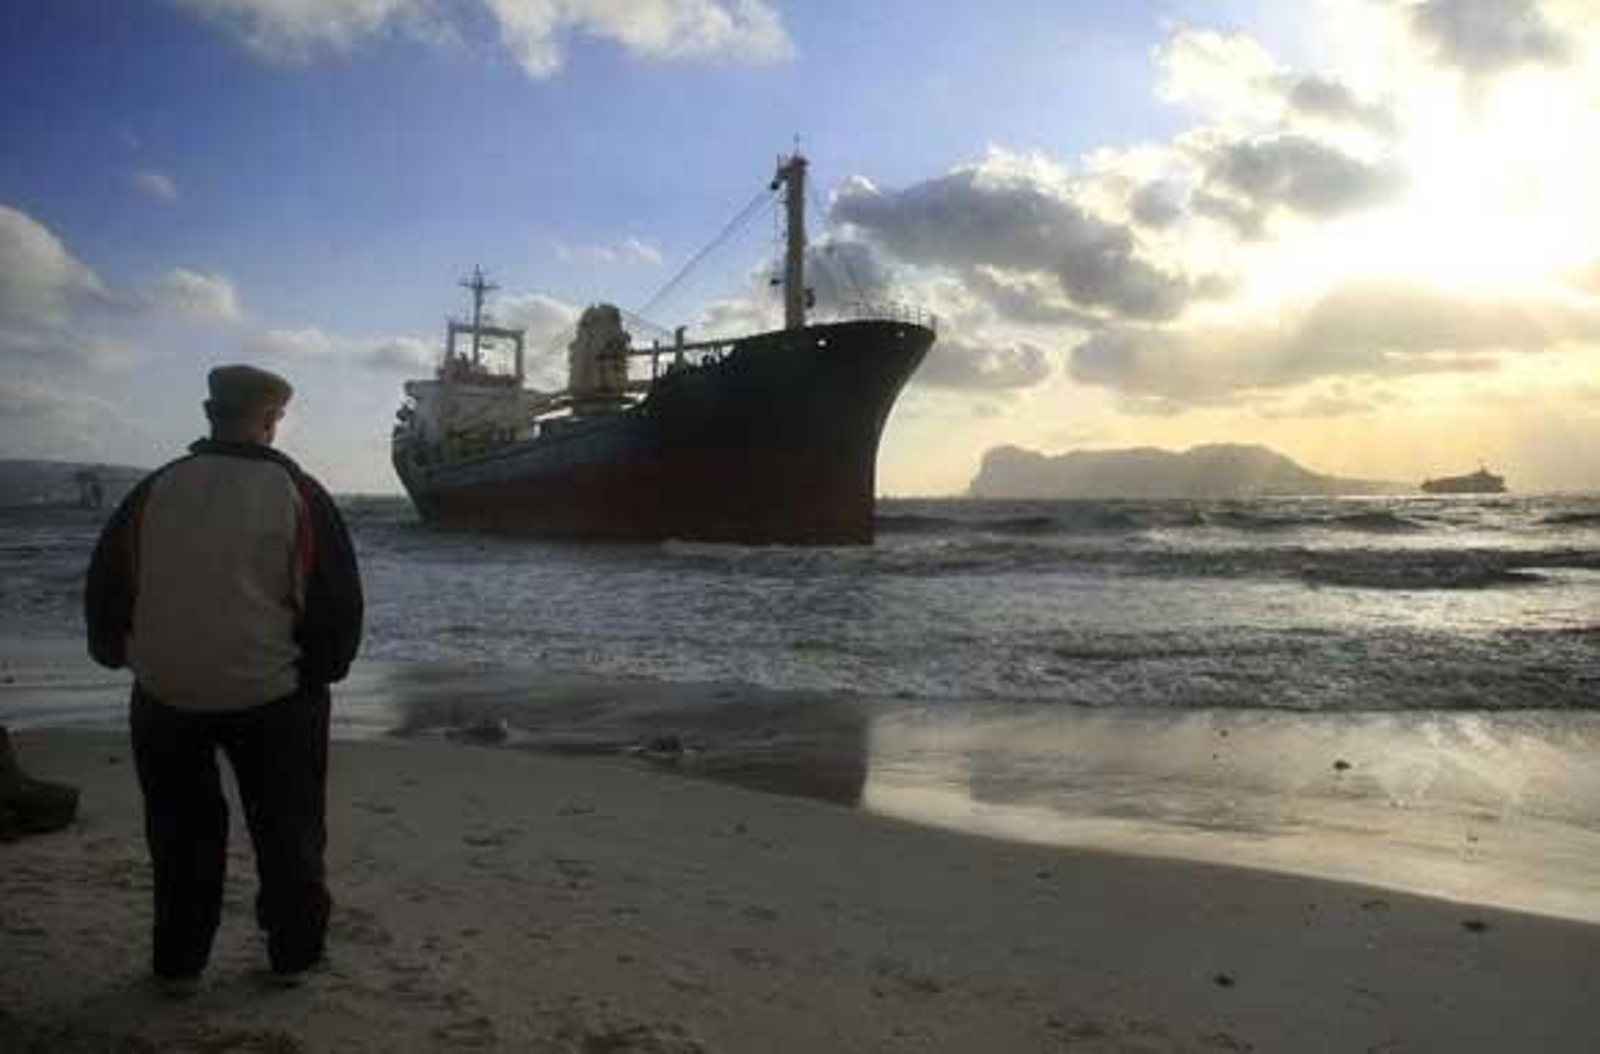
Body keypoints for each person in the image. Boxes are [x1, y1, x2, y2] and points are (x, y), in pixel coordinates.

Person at [85, 364, 363, 996]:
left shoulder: (155, 487)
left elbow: (109, 582)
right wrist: (318, 672)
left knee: (179, 831)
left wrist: (119, 653)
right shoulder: (298, 492)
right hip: (270, 693)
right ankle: (293, 956)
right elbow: (335, 599)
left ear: (212, 414)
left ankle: (179, 964)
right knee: (288, 829)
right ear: (269, 419)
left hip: (164, 690)